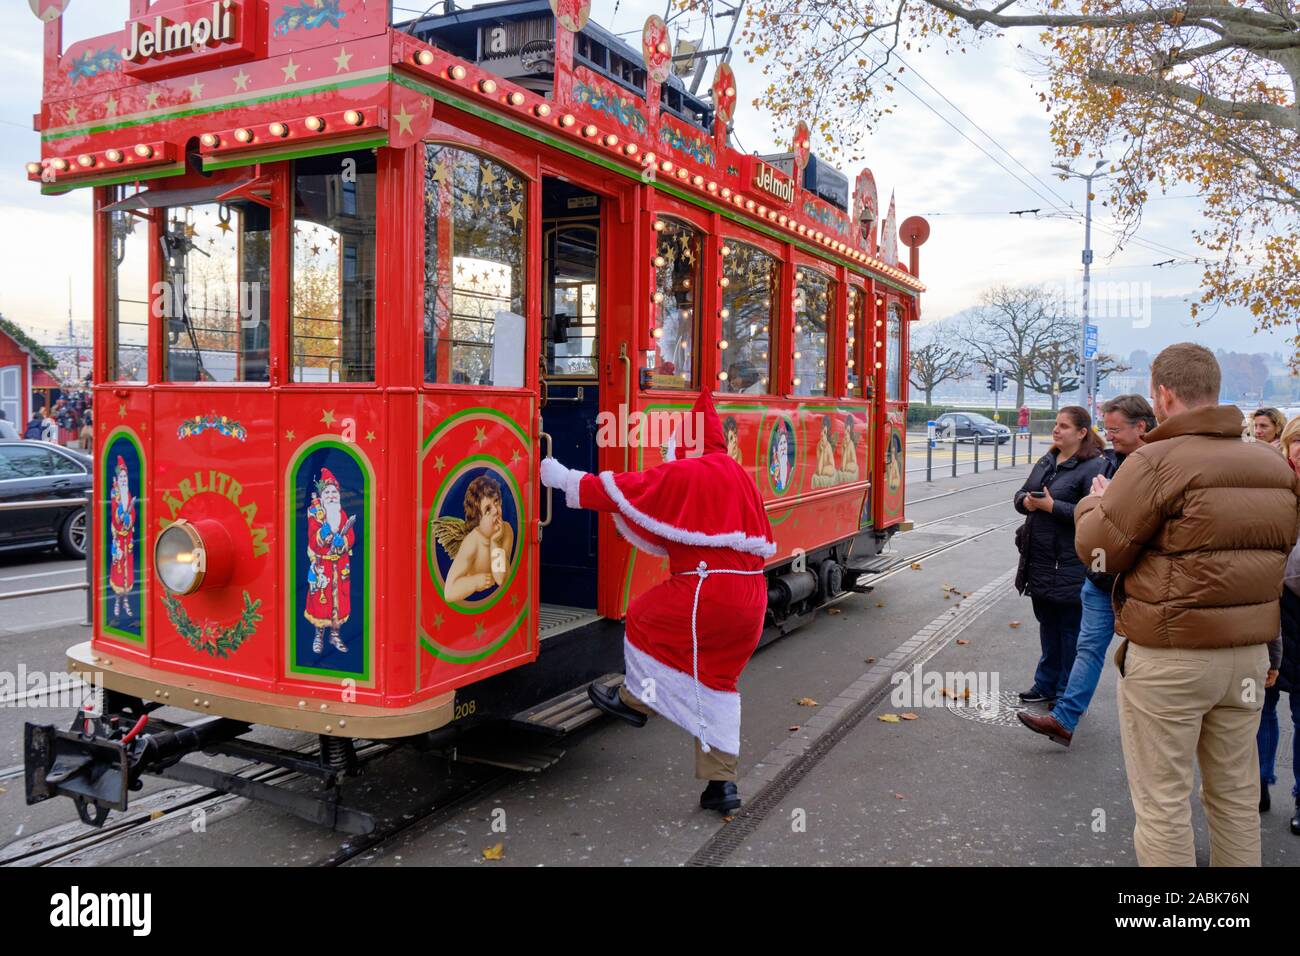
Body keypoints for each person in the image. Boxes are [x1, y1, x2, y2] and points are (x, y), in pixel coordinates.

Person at [1075, 343, 1300, 867]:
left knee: (1162, 803)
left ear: (1164, 395)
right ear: (1215, 390)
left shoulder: (1155, 461)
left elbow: (1100, 552)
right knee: (1237, 799)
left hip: (1170, 655)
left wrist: (1095, 501)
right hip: (1247, 657)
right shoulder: (1271, 463)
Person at [539, 390, 775, 813]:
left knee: (644, 619)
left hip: (708, 590)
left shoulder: (691, 471)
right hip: (751, 597)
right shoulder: (738, 473)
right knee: (718, 685)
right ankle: (722, 787)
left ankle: (637, 700)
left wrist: (560, 477)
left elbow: (628, 489)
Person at [1018, 395, 1156, 746]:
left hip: (1133, 577)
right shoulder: (1107, 462)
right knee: (1087, 646)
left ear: (1141, 427)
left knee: (1142, 655)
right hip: (1098, 574)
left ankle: (1153, 726)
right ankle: (1064, 717)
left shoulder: (1152, 464)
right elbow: (1091, 514)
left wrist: (1091, 505)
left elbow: (1140, 522)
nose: (1109, 436)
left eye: (1116, 429)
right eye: (1106, 429)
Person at [1013, 406, 1106, 705]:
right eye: (1056, 424)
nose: (1056, 430)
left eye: (1064, 426)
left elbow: (1093, 514)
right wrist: (1025, 501)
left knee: (1070, 631)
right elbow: (1021, 494)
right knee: (1047, 624)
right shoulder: (1048, 459)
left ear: (1082, 433)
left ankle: (1066, 691)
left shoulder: (1093, 466)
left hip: (1068, 561)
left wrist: (1051, 507)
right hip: (1039, 559)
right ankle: (1045, 684)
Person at [1259, 415, 1300, 835]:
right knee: (1262, 705)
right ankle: (1259, 782)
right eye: (1297, 440)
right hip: (1270, 608)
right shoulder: (1271, 490)